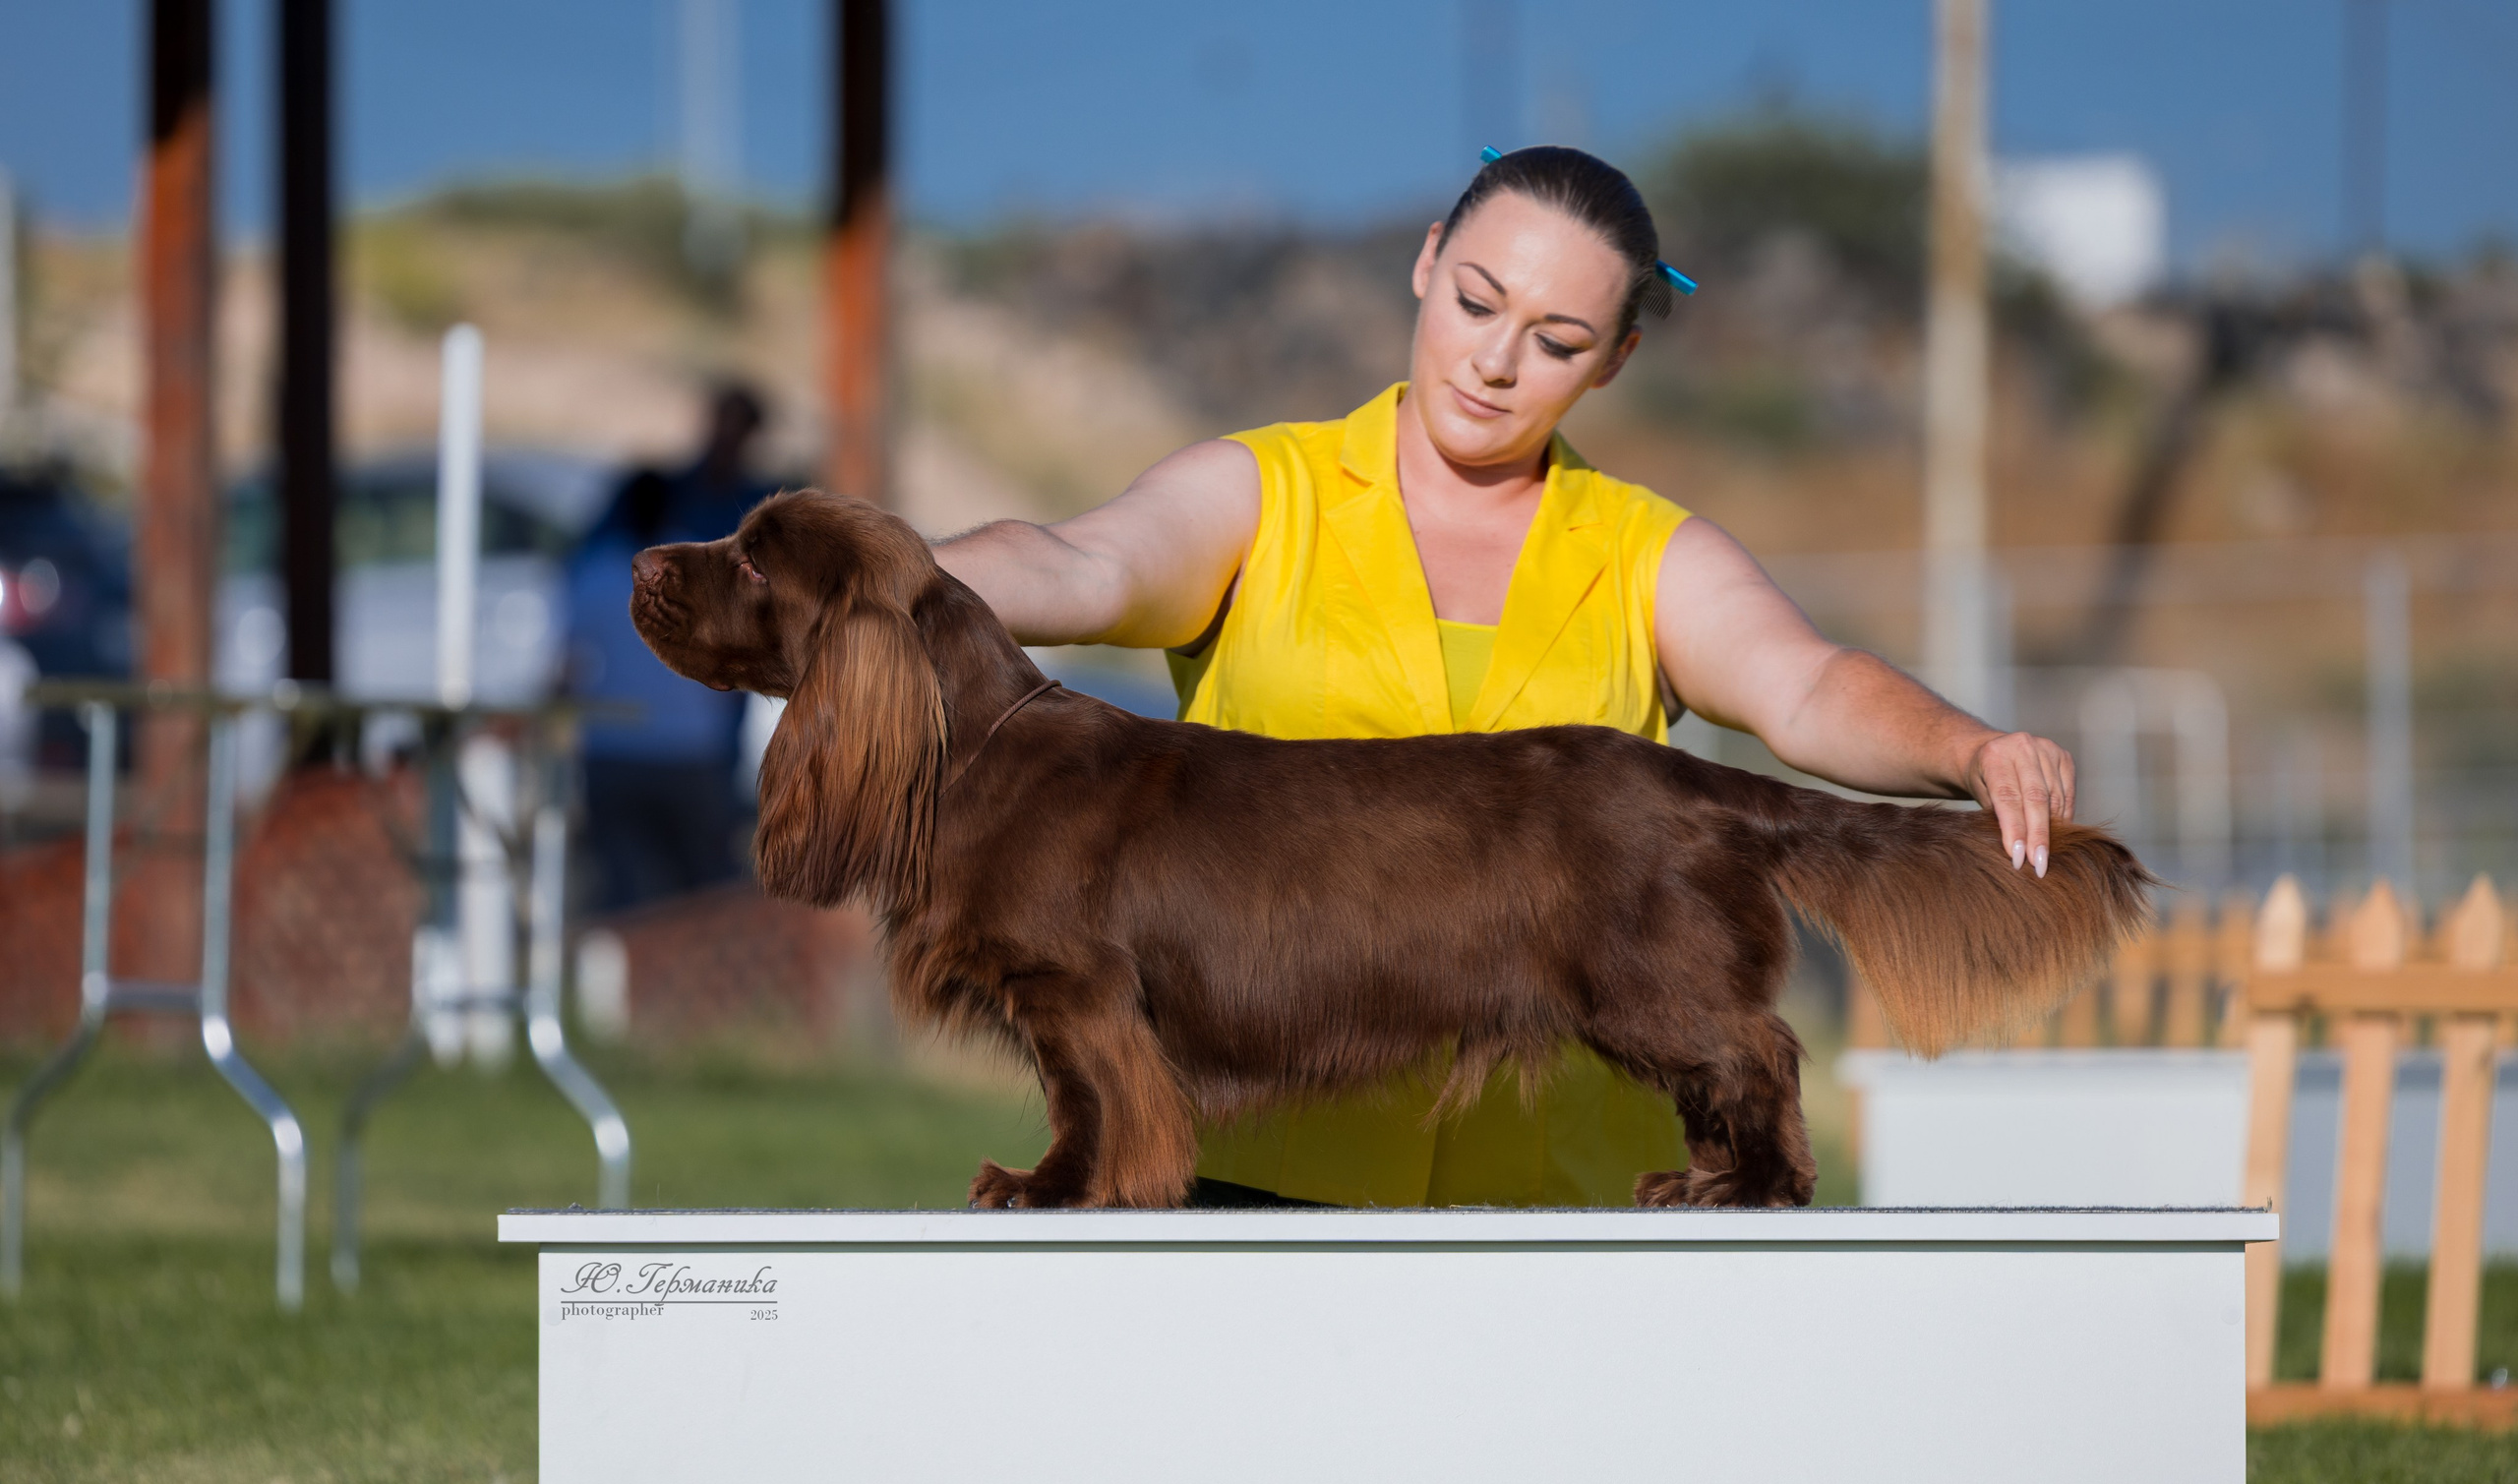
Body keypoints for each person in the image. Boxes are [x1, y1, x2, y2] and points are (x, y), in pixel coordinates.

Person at [933, 147, 2078, 1209]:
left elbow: (1810, 688)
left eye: (1557, 340)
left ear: (1615, 361)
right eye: (1477, 303)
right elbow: (1080, 564)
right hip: (1263, 1187)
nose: (1493, 362)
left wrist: (1966, 748)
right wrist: (891, 578)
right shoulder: (1262, 494)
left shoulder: (1644, 552)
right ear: (1427, 261)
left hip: (1562, 1207)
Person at [566, 384, 783, 910]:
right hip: (692, 730)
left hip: (680, 730)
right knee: (694, 886)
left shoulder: (750, 502)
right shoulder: (699, 512)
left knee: (659, 882)